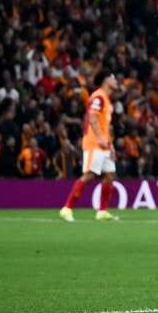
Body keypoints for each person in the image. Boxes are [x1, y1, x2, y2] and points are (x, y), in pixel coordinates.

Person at [59, 72, 121, 221]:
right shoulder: (98, 97)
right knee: (90, 175)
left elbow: (106, 126)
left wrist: (111, 145)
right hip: (94, 143)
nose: (116, 81)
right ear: (106, 81)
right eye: (113, 78)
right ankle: (67, 208)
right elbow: (92, 117)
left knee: (110, 175)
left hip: (104, 144)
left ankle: (102, 211)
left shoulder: (107, 100)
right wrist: (99, 139)